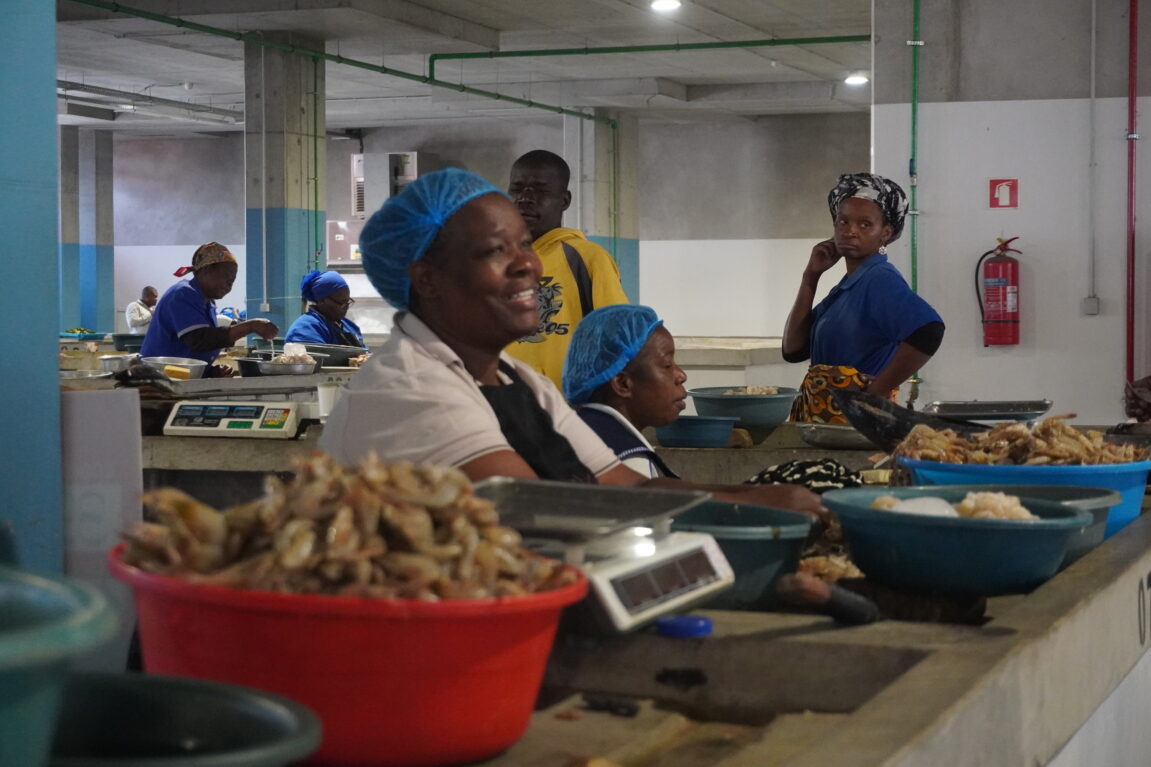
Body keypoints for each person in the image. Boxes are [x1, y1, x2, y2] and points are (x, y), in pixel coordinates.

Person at [318, 168, 824, 520]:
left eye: (523, 244)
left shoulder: (522, 382)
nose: (529, 265)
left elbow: (628, 486)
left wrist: (760, 495)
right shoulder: (412, 389)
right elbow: (546, 508)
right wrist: (741, 506)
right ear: (427, 279)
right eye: (496, 250)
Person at [782, 173, 945, 423]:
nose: (850, 231)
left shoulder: (878, 279)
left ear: (885, 233)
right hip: (827, 420)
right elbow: (793, 349)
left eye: (865, 224)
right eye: (843, 222)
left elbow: (929, 331)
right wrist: (810, 277)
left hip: (854, 421)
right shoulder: (849, 286)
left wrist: (876, 392)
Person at [504, 149, 629, 387]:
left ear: (565, 201)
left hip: (565, 410)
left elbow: (618, 339)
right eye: (517, 188)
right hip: (500, 407)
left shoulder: (588, 258)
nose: (525, 198)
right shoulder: (494, 261)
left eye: (540, 190)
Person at [140, 242, 278, 377]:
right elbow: (199, 340)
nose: (229, 284)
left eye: (233, 280)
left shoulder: (207, 303)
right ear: (206, 270)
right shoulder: (183, 294)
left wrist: (210, 372)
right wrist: (250, 326)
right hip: (159, 379)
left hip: (180, 377)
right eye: (226, 276)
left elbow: (193, 351)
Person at [284, 269, 365, 347]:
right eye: (341, 302)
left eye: (348, 301)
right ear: (322, 300)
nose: (346, 307)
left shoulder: (348, 326)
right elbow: (315, 359)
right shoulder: (305, 328)